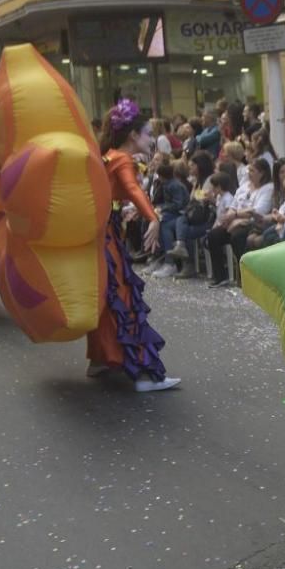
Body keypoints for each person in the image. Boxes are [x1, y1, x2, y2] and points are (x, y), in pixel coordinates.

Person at [88, 98, 181, 392]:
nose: (152, 139)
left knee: (107, 297)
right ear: (132, 135)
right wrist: (152, 218)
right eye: (148, 134)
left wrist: (123, 208)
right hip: (108, 238)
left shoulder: (109, 155)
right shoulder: (122, 158)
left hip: (104, 233)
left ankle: (102, 359)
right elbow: (131, 188)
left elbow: (116, 194)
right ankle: (143, 374)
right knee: (123, 296)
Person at [206, 157, 274, 288]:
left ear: (262, 173)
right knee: (213, 235)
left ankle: (245, 276)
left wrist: (236, 215)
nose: (249, 173)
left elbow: (258, 211)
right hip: (236, 220)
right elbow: (234, 204)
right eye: (249, 170)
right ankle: (220, 276)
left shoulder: (268, 188)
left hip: (255, 223)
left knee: (237, 236)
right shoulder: (244, 186)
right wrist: (232, 216)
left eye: (252, 171)